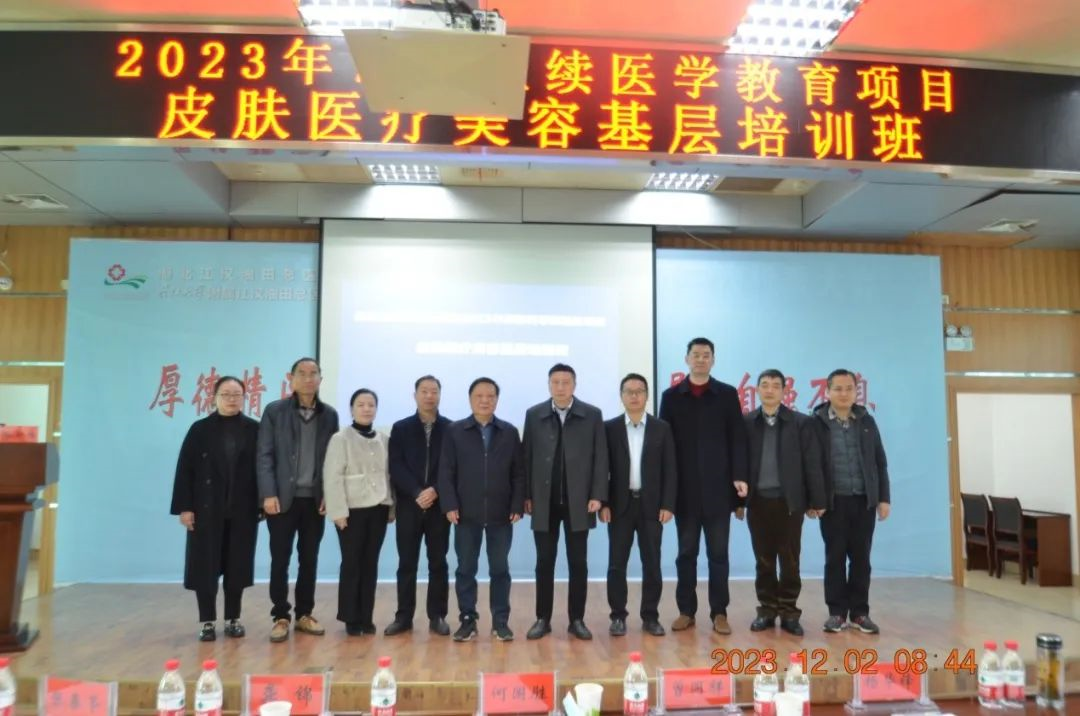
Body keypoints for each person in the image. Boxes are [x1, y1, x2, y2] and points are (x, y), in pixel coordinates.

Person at [659, 337, 749, 635]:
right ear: (686, 359)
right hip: (685, 493)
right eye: (695, 355)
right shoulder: (671, 397)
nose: (700, 359)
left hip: (718, 491)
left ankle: (719, 612)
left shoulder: (726, 394)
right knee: (686, 554)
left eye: (706, 355)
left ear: (713, 360)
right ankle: (686, 611)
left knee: (718, 555)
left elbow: (737, 438)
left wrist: (739, 479)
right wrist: (666, 492)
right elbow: (664, 445)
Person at [171, 376, 261, 641]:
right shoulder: (200, 429)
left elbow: (263, 469)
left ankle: (233, 618)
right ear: (214, 398)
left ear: (244, 398)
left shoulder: (254, 429)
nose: (232, 399)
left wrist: (262, 503)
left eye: (237, 394)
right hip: (206, 510)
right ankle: (207, 621)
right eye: (226, 394)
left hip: (242, 510)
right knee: (205, 568)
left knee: (237, 567)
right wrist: (185, 508)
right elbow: (185, 470)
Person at [522, 363, 608, 641]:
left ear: (574, 385)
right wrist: (526, 495)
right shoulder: (534, 414)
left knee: (578, 563)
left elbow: (601, 458)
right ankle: (542, 618)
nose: (560, 387)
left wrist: (597, 494)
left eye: (566, 382)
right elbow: (526, 457)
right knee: (544, 562)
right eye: (555, 382)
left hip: (579, 502)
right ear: (549, 385)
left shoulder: (592, 415)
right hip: (544, 501)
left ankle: (577, 619)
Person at [257, 357, 339, 643]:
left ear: (320, 379)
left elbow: (333, 460)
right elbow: (264, 455)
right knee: (280, 559)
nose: (308, 378)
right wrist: (268, 493)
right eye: (302, 373)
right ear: (290, 378)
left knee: (309, 559)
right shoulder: (275, 411)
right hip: (281, 500)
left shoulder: (330, 415)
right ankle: (280, 616)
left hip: (314, 500)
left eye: (313, 373)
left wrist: (329, 494)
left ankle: (305, 613)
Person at [438, 377, 525, 643]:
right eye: (479, 396)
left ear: (497, 400)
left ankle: (500, 622)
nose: (485, 400)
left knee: (500, 569)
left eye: (490, 396)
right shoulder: (455, 431)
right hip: (466, 513)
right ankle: (468, 620)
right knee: (466, 569)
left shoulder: (509, 432)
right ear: (470, 399)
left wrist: (517, 504)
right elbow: (446, 472)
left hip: (501, 514)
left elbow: (518, 473)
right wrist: (450, 504)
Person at [809, 369, 891, 634]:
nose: (843, 394)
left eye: (849, 389)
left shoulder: (866, 421)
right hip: (832, 503)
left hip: (863, 501)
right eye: (838, 389)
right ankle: (836, 613)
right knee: (834, 558)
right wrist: (815, 499)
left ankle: (859, 613)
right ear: (827, 392)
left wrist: (883, 498)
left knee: (861, 559)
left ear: (856, 392)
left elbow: (880, 461)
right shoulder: (816, 423)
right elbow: (810, 465)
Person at [744, 369, 826, 637]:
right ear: (757, 390)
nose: (769, 390)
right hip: (758, 502)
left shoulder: (800, 423)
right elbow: (738, 463)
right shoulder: (747, 422)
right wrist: (738, 502)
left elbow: (812, 463)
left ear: (784, 391)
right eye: (764, 385)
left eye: (775, 386)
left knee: (790, 560)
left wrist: (815, 500)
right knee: (763, 560)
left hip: (790, 503)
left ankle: (789, 612)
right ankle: (767, 610)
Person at [600, 373, 677, 637]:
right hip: (619, 507)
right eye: (629, 391)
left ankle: (650, 616)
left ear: (647, 396)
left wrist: (668, 504)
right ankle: (617, 616)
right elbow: (602, 469)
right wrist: (604, 503)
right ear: (621, 396)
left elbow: (670, 469)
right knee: (616, 565)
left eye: (639, 391)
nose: (634, 396)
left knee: (652, 564)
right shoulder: (609, 428)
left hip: (651, 506)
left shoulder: (661, 428)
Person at [384, 375, 452, 637]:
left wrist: (435, 490)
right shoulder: (401, 428)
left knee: (438, 563)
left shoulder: (451, 428)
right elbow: (396, 466)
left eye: (434, 391)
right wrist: (416, 492)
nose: (429, 396)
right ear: (415, 395)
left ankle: (438, 615)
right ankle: (403, 617)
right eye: (424, 391)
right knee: (406, 563)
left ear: (440, 395)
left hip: (438, 506)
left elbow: (451, 466)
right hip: (409, 506)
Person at [324, 388, 395, 636]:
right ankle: (350, 617)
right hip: (351, 510)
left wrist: (391, 507)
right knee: (352, 562)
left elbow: (388, 475)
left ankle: (366, 616)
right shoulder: (340, 438)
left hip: (379, 508)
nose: (366, 409)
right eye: (361, 404)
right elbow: (332, 477)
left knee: (370, 563)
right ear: (352, 409)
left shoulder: (384, 439)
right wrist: (338, 512)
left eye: (371, 405)